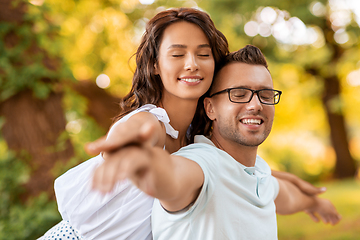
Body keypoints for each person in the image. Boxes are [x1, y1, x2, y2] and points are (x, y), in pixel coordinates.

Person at [40, 7, 326, 240]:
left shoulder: (194, 134)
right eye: (177, 54)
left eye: (203, 54)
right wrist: (128, 151)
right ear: (154, 65)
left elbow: (236, 172)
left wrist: (290, 183)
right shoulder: (150, 122)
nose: (192, 64)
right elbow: (136, 138)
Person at [91, 45, 341, 239]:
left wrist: (316, 202)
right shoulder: (201, 163)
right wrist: (145, 163)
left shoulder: (259, 173)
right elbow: (170, 178)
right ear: (210, 108)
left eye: (265, 94)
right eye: (239, 94)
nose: (255, 104)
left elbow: (284, 196)